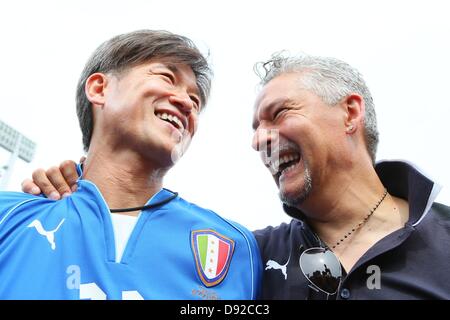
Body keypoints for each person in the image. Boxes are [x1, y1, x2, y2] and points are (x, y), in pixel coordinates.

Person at [23, 53, 450, 300]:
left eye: (279, 114)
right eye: (254, 129)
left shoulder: (444, 238)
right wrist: (77, 185)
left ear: (350, 113)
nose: (260, 140)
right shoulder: (244, 256)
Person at [0, 30, 262, 300]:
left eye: (195, 101)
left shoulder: (237, 249)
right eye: (166, 78)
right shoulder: (9, 215)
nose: (186, 103)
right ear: (100, 89)